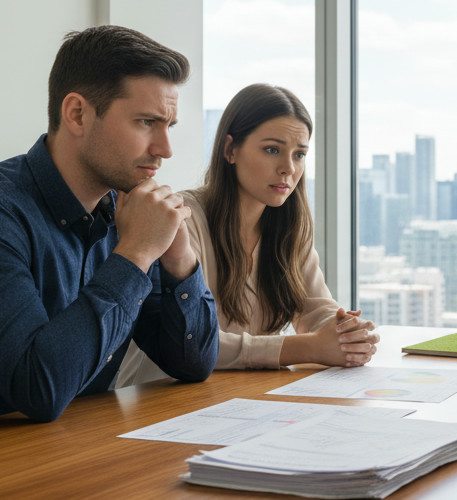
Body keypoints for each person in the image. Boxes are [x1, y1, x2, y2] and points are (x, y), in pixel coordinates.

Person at [0, 26, 220, 442]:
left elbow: (193, 362)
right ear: (76, 113)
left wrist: (179, 259)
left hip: (56, 458)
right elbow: (39, 389)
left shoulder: (125, 216)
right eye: (147, 122)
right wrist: (136, 254)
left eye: (169, 125)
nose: (165, 149)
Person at [116, 83, 378, 386]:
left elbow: (316, 309)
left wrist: (346, 332)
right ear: (230, 150)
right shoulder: (180, 218)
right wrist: (307, 346)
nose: (288, 169)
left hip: (238, 398)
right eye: (272, 150)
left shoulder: (289, 230)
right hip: (157, 399)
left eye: (299, 155)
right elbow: (197, 342)